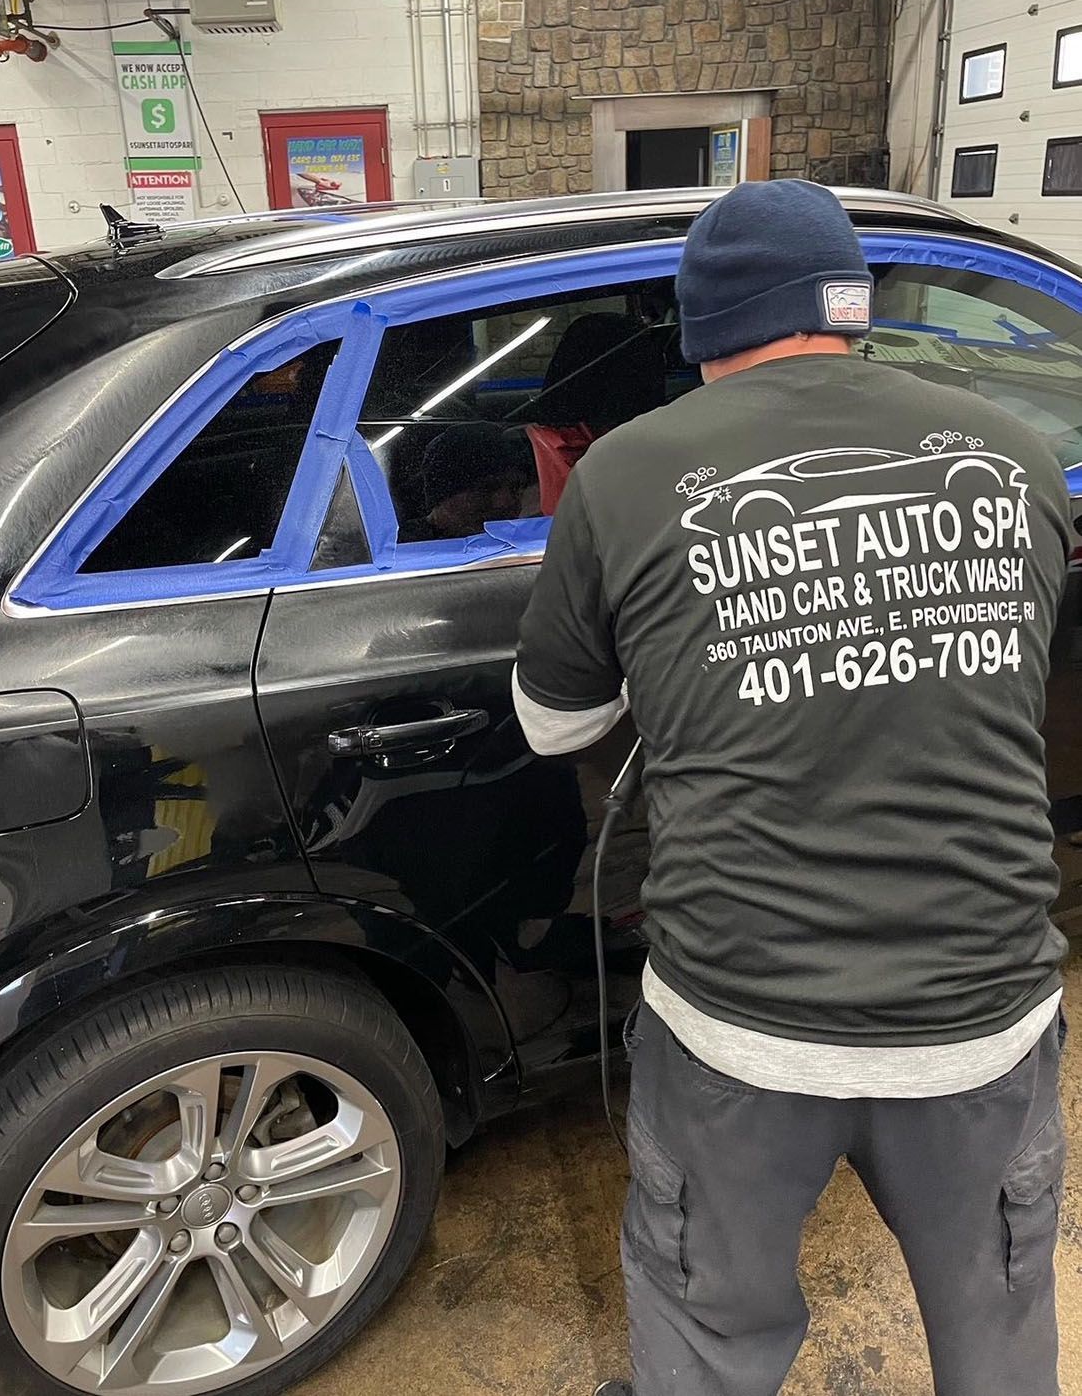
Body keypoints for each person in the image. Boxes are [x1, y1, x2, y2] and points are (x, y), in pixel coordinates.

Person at [513, 179, 1071, 1396]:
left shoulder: (624, 472)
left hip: (738, 1028)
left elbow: (556, 720)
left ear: (701, 329)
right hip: (982, 1020)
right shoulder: (1018, 454)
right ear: (851, 307)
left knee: (709, 1341)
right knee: (998, 1335)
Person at [399, 421, 531, 541]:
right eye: (486, 488)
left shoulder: (535, 543)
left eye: (515, 488)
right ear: (442, 498)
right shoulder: (398, 553)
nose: (504, 502)